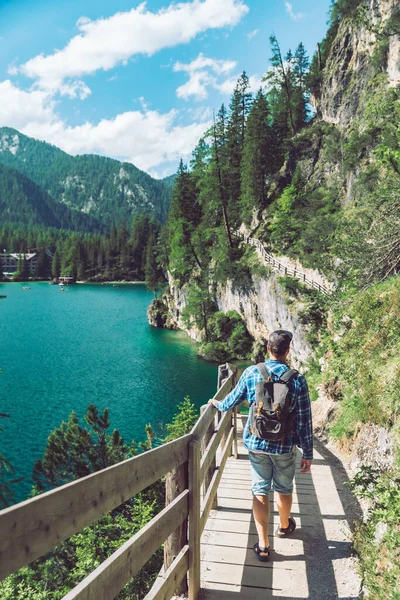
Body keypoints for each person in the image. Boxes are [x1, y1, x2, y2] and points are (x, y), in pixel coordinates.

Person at [209, 329, 313, 562]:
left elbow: (232, 400)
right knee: (284, 488)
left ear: (268, 348)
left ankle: (264, 545)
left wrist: (216, 404)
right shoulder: (297, 379)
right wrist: (308, 452)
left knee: (260, 490)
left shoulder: (252, 372)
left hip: (256, 443)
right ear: (288, 351)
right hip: (285, 445)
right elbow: (305, 418)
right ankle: (285, 526)